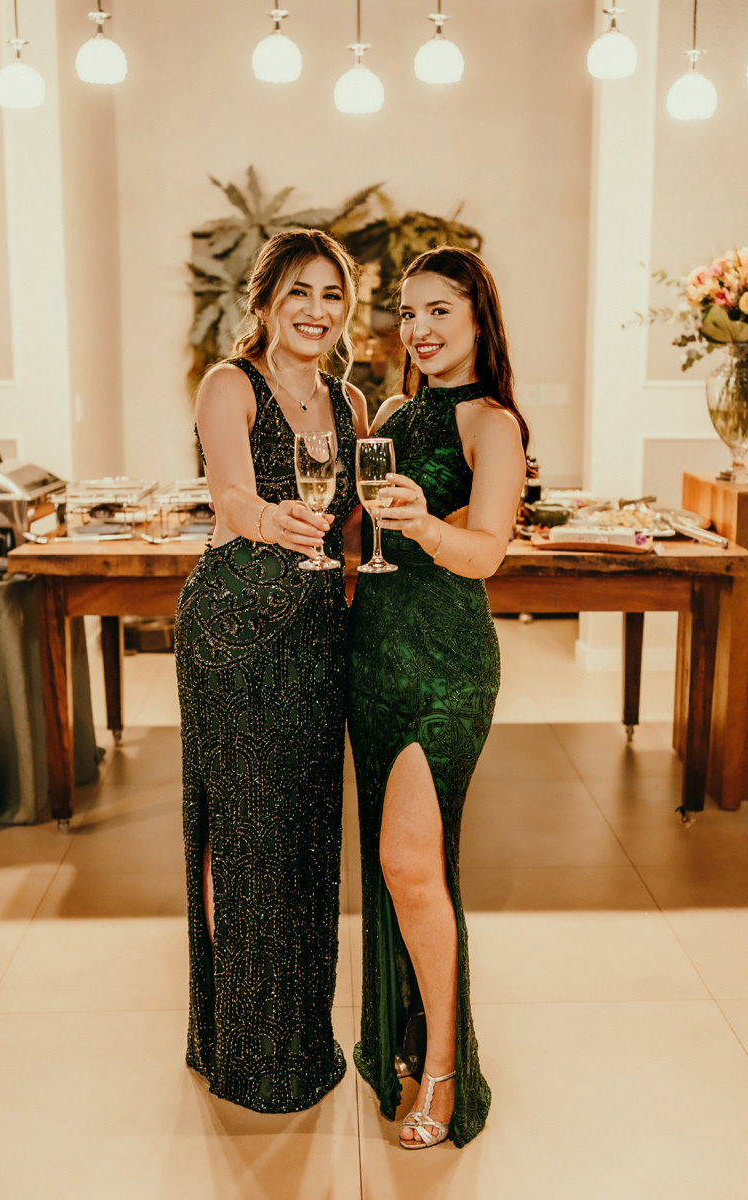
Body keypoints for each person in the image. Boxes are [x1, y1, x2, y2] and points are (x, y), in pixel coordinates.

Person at [175, 229, 368, 1113]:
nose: (316, 311)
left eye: (332, 294)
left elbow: (354, 524)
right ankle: (244, 1047)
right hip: (236, 629)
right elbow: (228, 493)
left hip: (317, 635)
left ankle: (299, 1036)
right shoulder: (231, 384)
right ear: (263, 301)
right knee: (246, 835)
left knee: (306, 835)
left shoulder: (350, 402)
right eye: (299, 292)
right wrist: (270, 521)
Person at [347, 246, 529, 1148]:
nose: (418, 329)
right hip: (373, 655)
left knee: (412, 863)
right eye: (408, 312)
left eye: (438, 311)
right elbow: (356, 536)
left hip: (448, 663)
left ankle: (448, 1070)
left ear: (477, 317)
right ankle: (406, 1039)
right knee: (396, 865)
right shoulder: (391, 414)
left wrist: (422, 522)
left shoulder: (493, 425)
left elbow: (487, 552)